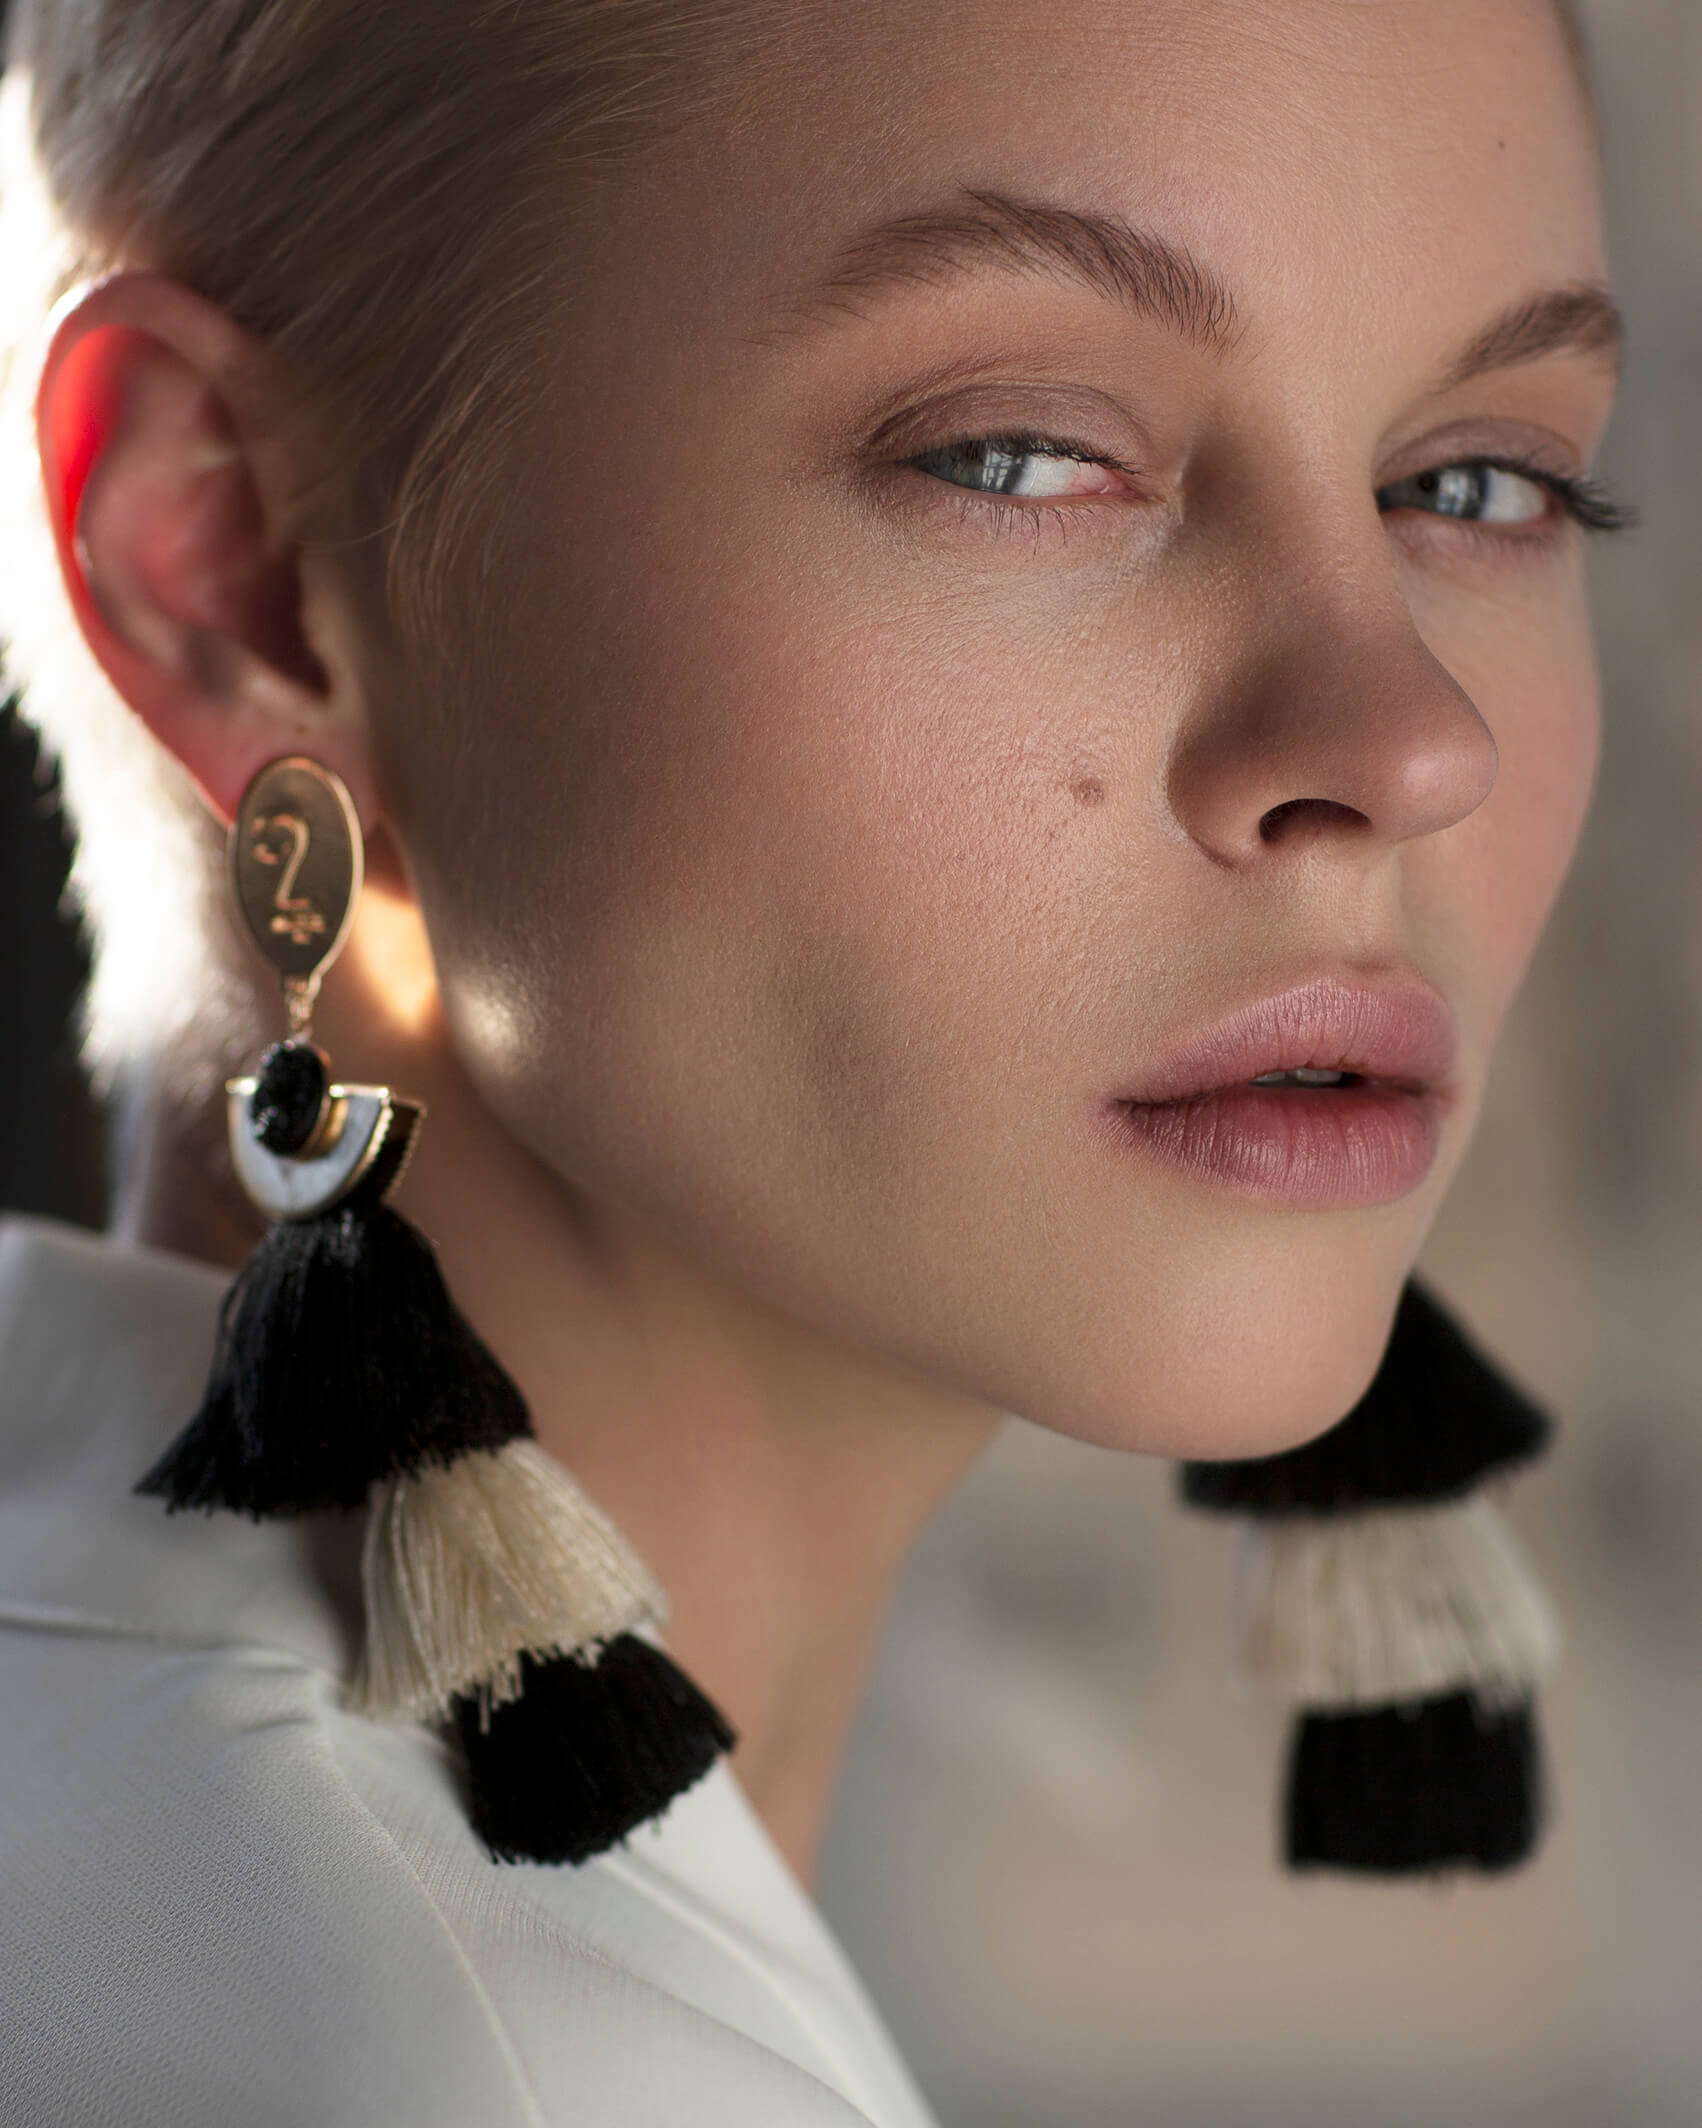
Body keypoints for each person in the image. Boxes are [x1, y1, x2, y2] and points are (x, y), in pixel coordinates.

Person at [0, 0, 1625, 2121]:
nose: (1406, 740)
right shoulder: (492, 2062)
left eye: (1477, 483)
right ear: (231, 560)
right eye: (1015, 454)